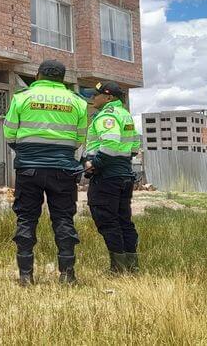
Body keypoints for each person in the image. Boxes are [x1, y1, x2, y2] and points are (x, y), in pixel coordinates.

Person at [3, 59, 88, 285]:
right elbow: (79, 139)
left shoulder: (22, 98)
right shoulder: (77, 102)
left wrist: (28, 151)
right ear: (62, 78)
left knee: (26, 218)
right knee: (63, 219)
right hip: (63, 170)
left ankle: (25, 276)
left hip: (29, 168)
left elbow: (9, 134)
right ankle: (67, 275)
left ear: (38, 75)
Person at [84, 81, 141, 273]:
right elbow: (134, 147)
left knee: (107, 220)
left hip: (106, 176)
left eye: (96, 95)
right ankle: (131, 266)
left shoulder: (106, 116)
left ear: (108, 97)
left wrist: (94, 164)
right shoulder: (125, 115)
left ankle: (117, 268)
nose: (93, 98)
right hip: (124, 174)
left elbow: (109, 144)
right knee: (124, 220)